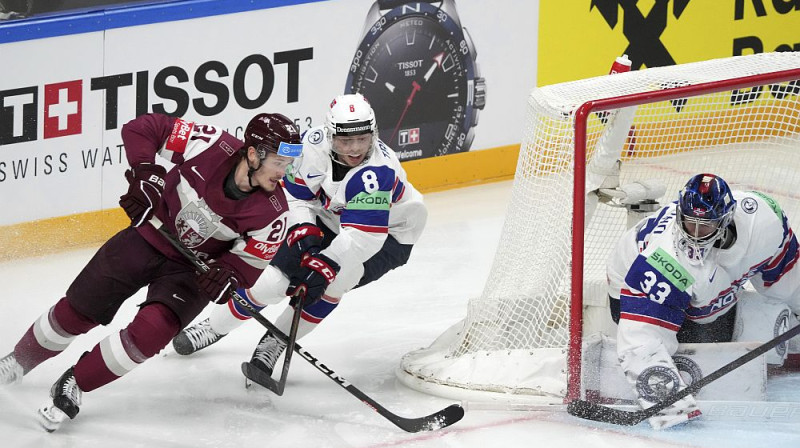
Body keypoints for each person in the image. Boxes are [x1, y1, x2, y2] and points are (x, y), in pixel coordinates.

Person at [0, 111, 303, 431]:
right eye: (279, 163)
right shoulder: (211, 143)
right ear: (254, 154)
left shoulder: (274, 214)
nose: (283, 173)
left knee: (150, 334)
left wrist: (226, 276)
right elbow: (142, 129)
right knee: (77, 311)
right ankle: (18, 361)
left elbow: (247, 268)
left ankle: (74, 381)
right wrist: (146, 171)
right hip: (147, 236)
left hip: (189, 274)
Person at [171, 93, 427, 387]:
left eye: (362, 138)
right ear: (330, 135)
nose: (355, 148)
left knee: (335, 280)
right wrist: (305, 237)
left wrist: (324, 264)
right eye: (345, 140)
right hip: (332, 216)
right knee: (274, 282)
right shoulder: (310, 146)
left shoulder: (378, 173)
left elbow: (364, 238)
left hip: (391, 233)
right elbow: (295, 196)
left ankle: (276, 342)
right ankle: (215, 326)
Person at [606, 173, 800, 429]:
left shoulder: (762, 221)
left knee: (769, 320)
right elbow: (640, 337)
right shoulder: (665, 259)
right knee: (702, 346)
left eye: (705, 225)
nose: (695, 233)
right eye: (689, 223)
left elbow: (786, 277)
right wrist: (670, 408)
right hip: (631, 292)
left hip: (707, 293)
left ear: (726, 218)